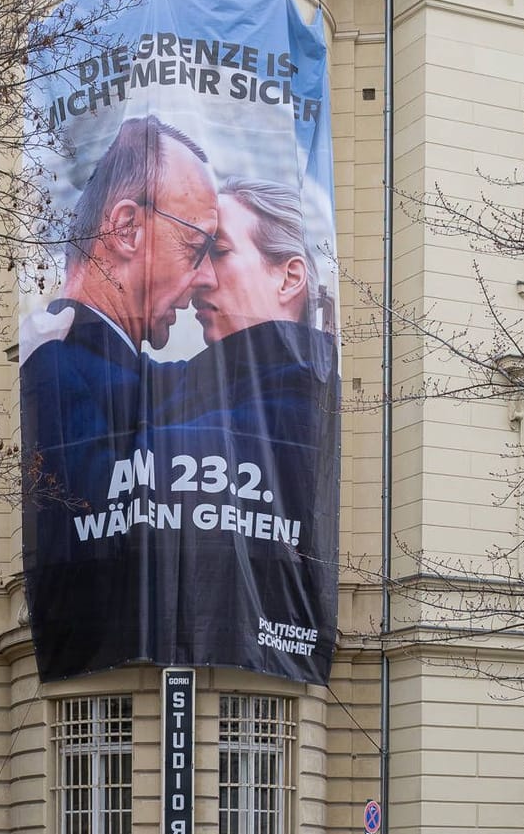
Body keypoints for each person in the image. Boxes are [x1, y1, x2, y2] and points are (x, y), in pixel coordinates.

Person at [19, 115, 218, 679]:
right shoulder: (62, 364)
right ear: (126, 229)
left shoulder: (77, 353)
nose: (206, 279)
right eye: (196, 246)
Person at [155, 177, 339, 680]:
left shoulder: (299, 395)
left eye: (219, 253)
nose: (199, 279)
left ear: (289, 277)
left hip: (257, 627)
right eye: (198, 258)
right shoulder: (201, 381)